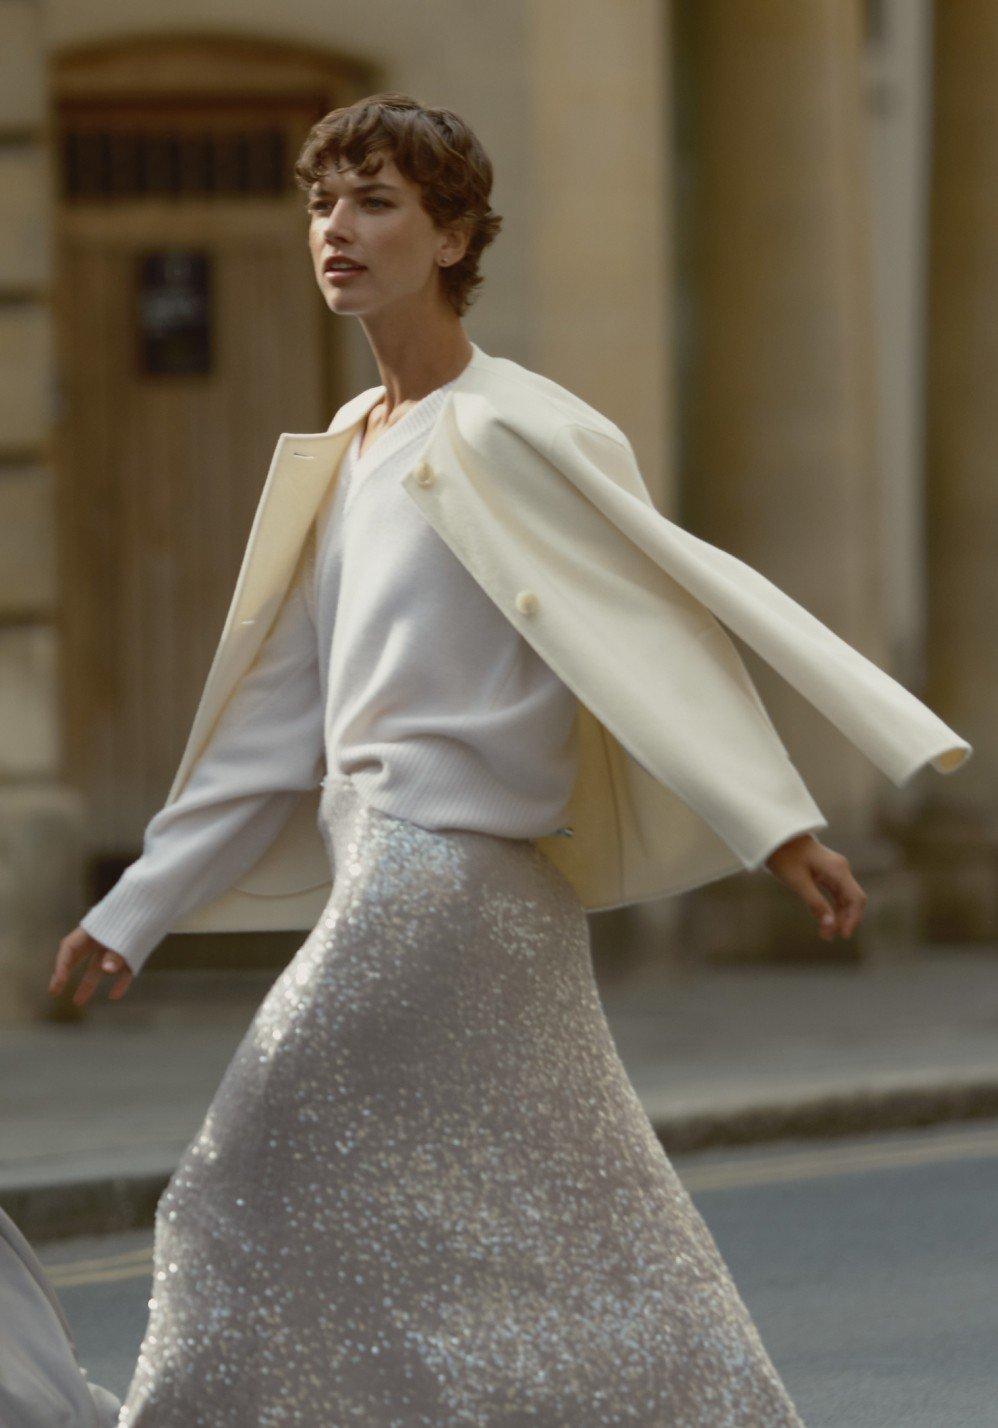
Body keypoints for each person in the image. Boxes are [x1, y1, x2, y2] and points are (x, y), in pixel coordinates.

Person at [46, 93, 900, 1424]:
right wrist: (132, 908)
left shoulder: (516, 428)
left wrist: (777, 828)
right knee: (556, 1213)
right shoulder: (347, 448)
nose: (336, 228)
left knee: (237, 1175)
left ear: (450, 237)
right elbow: (275, 726)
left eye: (376, 201)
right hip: (432, 890)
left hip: (437, 886)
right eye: (322, 200)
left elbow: (648, 633)